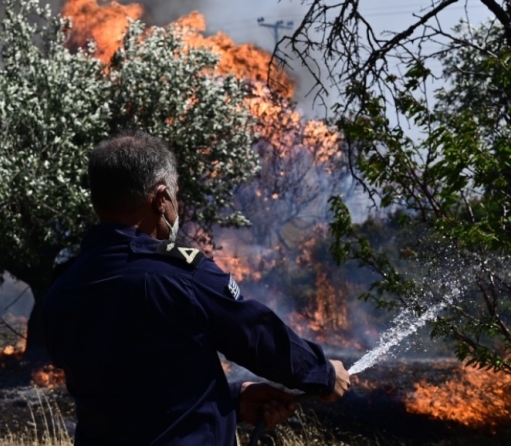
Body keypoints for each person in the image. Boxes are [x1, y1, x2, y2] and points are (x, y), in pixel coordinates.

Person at [42, 131, 350, 445]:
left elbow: (130, 388)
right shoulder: (180, 275)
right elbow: (253, 331)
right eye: (175, 195)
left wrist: (231, 401)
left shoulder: (63, 288)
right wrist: (322, 373)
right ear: (161, 198)